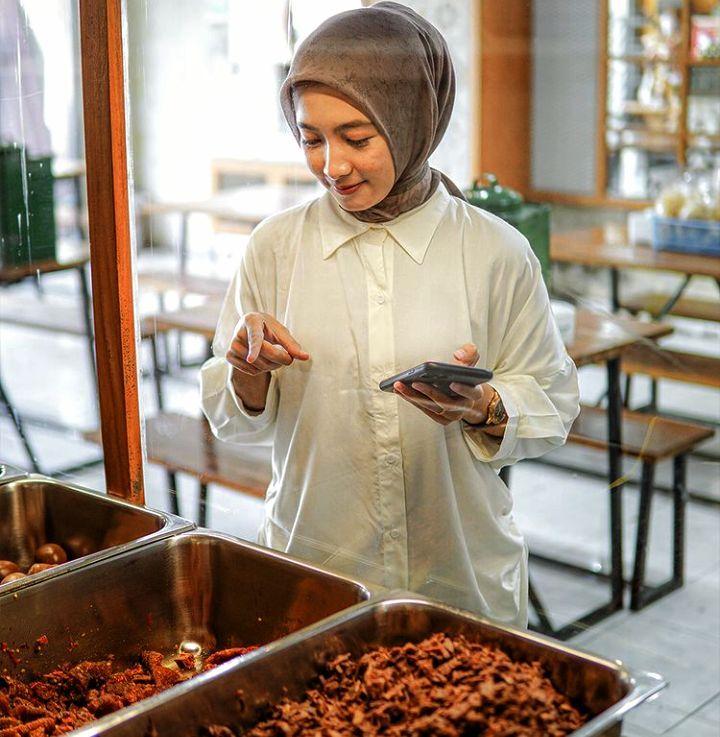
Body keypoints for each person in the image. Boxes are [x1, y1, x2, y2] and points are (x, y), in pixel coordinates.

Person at [201, 1, 579, 628]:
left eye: (356, 137)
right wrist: (247, 372)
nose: (332, 165)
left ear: (413, 122)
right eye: (310, 139)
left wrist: (484, 407)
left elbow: (557, 403)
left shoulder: (493, 251)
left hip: (457, 575)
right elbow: (228, 418)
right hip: (314, 567)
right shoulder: (275, 246)